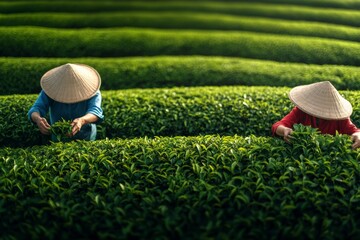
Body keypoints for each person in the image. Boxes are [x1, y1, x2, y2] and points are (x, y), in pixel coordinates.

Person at [272, 81, 360, 149]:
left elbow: (355, 131)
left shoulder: (340, 118)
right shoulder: (300, 112)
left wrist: (358, 135)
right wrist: (285, 130)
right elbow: (277, 126)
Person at [28, 63, 104, 142]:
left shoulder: (92, 91)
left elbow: (95, 112)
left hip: (86, 136)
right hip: (59, 137)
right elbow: (36, 108)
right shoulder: (50, 90)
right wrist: (38, 119)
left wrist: (82, 120)